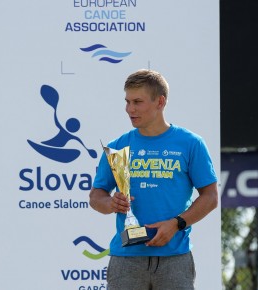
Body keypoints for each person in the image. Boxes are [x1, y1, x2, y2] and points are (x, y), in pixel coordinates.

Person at [89, 69, 218, 290]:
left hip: (175, 258)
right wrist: (110, 203)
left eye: (138, 102)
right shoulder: (118, 147)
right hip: (126, 258)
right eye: (127, 102)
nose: (130, 109)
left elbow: (211, 197)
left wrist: (177, 224)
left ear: (160, 102)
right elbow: (96, 196)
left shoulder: (190, 143)